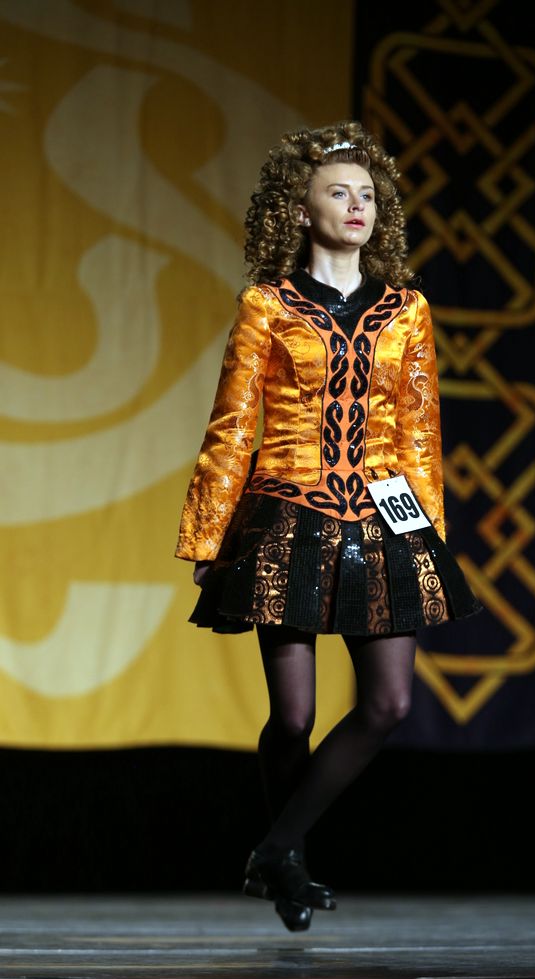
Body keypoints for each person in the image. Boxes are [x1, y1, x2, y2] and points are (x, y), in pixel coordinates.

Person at [174, 120, 483, 931]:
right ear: (300, 208)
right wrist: (208, 537)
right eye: (338, 193)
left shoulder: (406, 309)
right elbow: (232, 424)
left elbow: (418, 428)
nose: (356, 207)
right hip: (287, 518)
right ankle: (288, 866)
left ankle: (273, 850)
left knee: (388, 703)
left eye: (367, 196)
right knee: (294, 716)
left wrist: (427, 536)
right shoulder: (267, 305)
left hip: (384, 516)